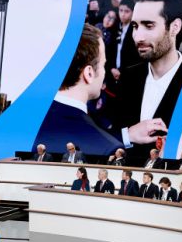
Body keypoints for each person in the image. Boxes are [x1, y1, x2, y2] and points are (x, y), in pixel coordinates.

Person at [112, 0, 182, 157]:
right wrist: (128, 135)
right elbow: (107, 137)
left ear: (174, 27)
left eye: (149, 26)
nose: (138, 36)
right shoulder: (127, 78)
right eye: (135, 26)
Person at [34, 24, 124, 156]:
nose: (105, 73)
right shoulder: (108, 149)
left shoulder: (15, 121)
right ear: (89, 73)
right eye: (103, 65)